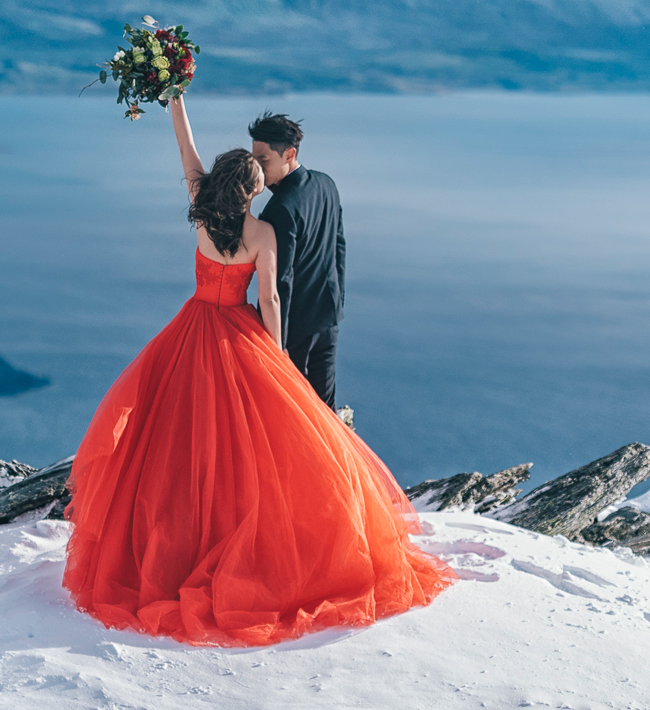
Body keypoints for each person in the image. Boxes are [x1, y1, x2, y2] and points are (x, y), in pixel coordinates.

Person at [60, 94, 451, 647]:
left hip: (192, 329)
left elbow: (185, 149)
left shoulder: (200, 208)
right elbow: (269, 298)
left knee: (176, 440)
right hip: (241, 333)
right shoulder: (261, 231)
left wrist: (176, 98)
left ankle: (177, 542)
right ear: (251, 189)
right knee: (251, 449)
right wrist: (274, 358)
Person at [249, 112, 344, 409]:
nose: (258, 170)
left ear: (289, 154)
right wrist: (338, 303)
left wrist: (279, 345)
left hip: (297, 331)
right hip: (328, 319)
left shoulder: (279, 209)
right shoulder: (327, 184)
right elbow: (338, 247)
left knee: (296, 413)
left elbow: (281, 282)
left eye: (263, 161)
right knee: (325, 410)